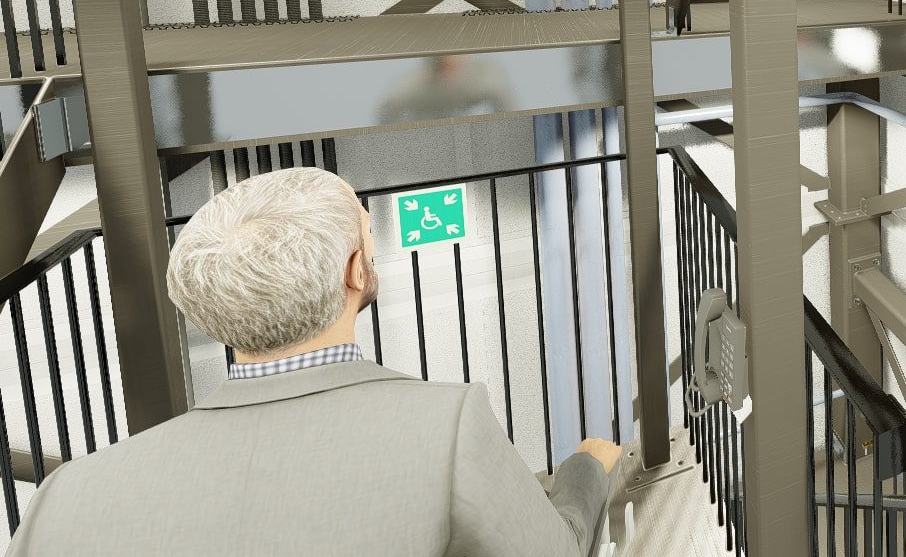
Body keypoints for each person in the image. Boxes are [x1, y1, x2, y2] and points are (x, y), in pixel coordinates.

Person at [10, 167, 620, 556]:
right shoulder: (447, 426)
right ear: (357, 271)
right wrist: (584, 470)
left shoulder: (63, 496)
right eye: (366, 230)